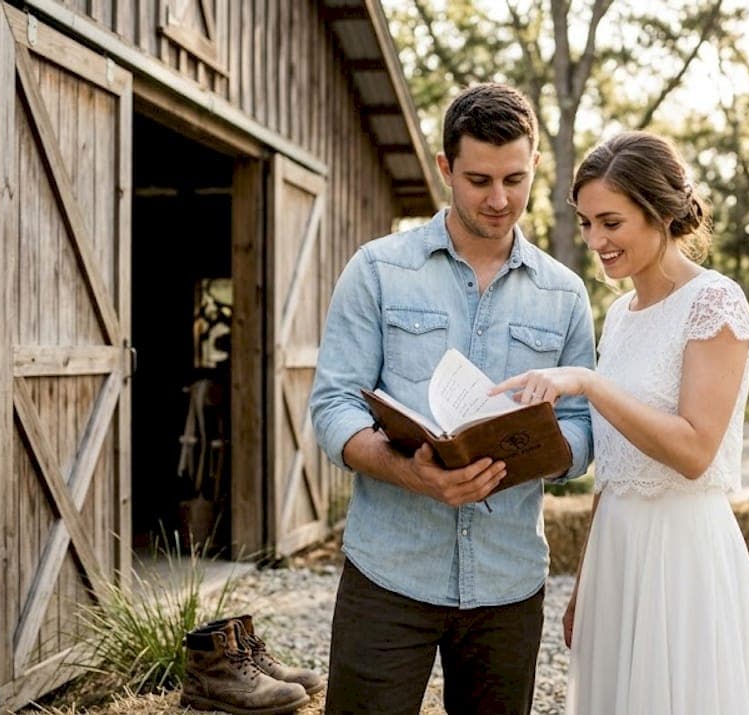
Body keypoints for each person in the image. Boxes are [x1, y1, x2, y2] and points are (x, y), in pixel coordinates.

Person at [309, 83, 595, 715]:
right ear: (445, 168)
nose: (499, 200)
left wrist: (539, 451)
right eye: (478, 180)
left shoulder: (566, 294)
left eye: (515, 179)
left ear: (535, 165)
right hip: (389, 572)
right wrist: (411, 473)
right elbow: (333, 407)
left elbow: (582, 428)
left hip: (508, 582)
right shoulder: (378, 269)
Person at [492, 131, 749, 713]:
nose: (595, 241)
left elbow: (695, 451)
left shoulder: (715, 302)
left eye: (611, 223)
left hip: (681, 555)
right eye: (587, 223)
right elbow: (613, 469)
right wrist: (586, 583)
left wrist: (589, 382)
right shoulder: (621, 313)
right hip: (616, 553)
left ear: (662, 213)